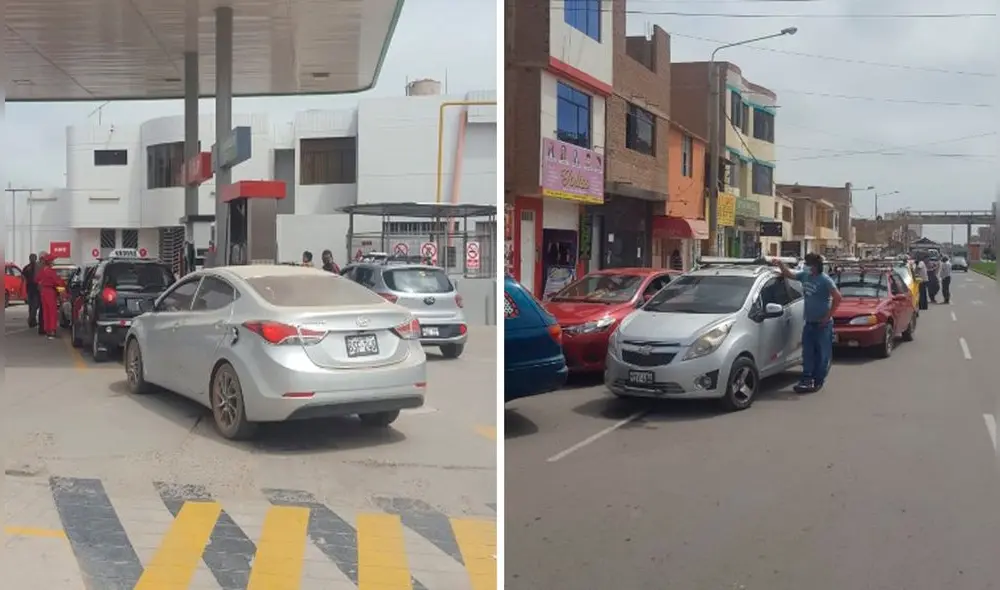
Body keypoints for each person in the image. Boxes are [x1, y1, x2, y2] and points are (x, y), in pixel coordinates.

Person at [774, 253, 843, 393]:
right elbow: (789, 275)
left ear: (815, 266)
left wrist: (828, 316)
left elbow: (838, 297)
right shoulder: (804, 276)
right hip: (810, 323)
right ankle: (806, 379)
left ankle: (818, 380)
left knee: (822, 355)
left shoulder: (825, 280)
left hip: (823, 325)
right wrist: (780, 264)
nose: (805, 266)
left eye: (808, 264)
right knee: (808, 353)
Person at [34, 253, 65, 340]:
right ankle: (52, 331)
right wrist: (63, 293)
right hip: (50, 292)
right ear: (50, 262)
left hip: (43, 292)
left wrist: (41, 283)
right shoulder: (51, 272)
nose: (53, 262)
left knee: (46, 311)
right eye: (52, 261)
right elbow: (58, 283)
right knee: (52, 312)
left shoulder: (42, 270)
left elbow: (36, 279)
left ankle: (47, 330)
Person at [22, 253, 40, 329]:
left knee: (33, 305)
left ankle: (32, 320)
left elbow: (23, 276)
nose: (32, 259)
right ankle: (31, 319)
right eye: (31, 258)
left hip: (32, 288)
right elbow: (23, 276)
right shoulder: (32, 267)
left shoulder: (27, 267)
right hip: (34, 288)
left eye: (33, 258)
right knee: (34, 305)